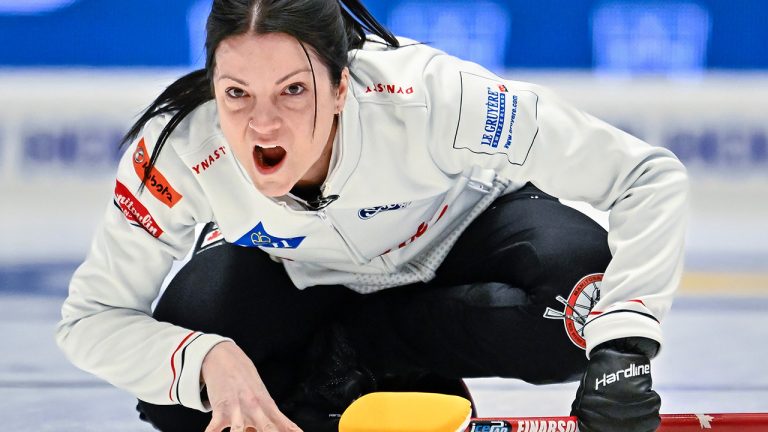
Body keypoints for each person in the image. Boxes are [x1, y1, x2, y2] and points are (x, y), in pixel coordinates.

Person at [55, 0, 688, 431]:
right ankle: (357, 378)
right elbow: (90, 319)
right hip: (293, 273)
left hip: (461, 235)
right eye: (236, 93)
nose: (263, 123)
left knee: (577, 307)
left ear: (341, 86)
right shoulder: (179, 150)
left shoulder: (434, 96)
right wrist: (207, 361)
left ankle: (365, 356)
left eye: (293, 90)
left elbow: (646, 174)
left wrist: (623, 349)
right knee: (181, 402)